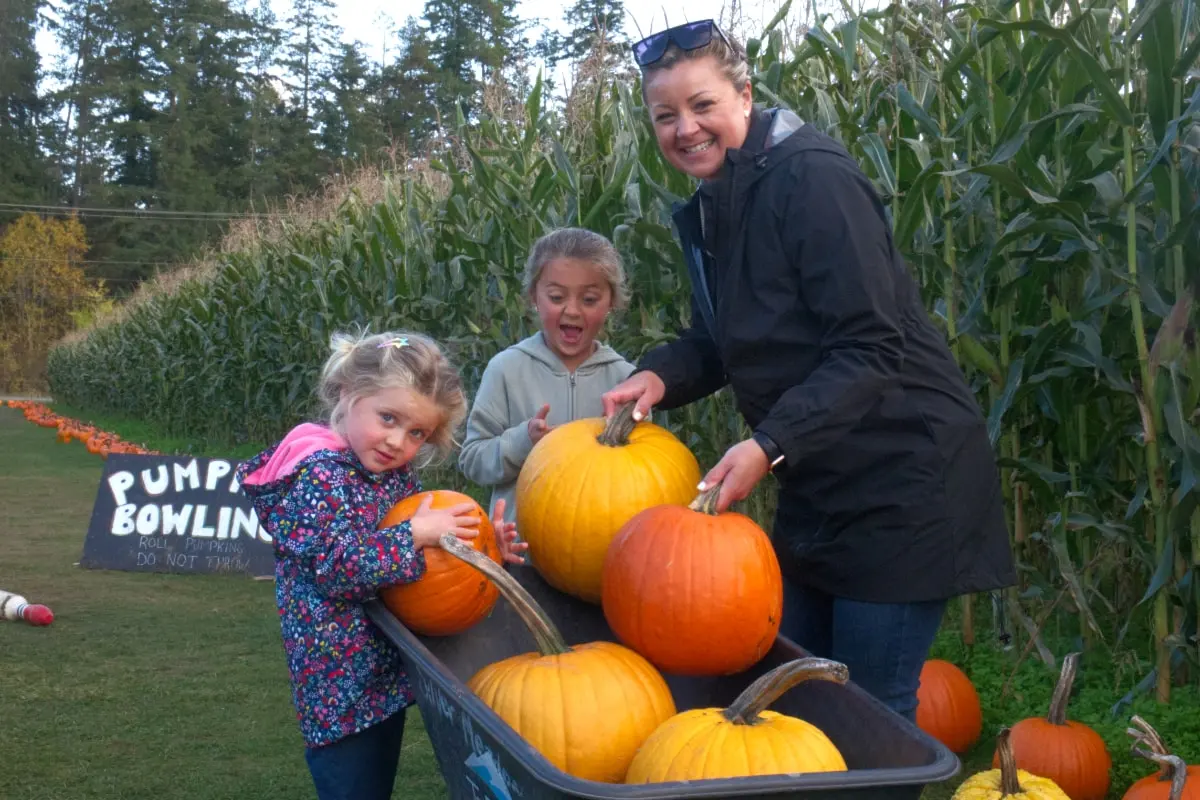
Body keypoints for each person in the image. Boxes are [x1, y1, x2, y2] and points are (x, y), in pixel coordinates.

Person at [601, 20, 1016, 722]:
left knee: (867, 709)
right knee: (792, 691)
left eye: (702, 105)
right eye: (665, 115)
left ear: (745, 95)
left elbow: (871, 345)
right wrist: (660, 377)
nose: (685, 129)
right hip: (819, 484)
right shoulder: (719, 202)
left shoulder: (813, 180)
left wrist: (767, 444)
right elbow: (721, 336)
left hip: (902, 483)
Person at [235, 329, 527, 800]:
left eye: (417, 433)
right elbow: (338, 566)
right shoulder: (320, 477)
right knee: (354, 787)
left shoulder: (387, 473)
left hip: (380, 676)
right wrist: (415, 533)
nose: (397, 441)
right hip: (339, 688)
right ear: (349, 394)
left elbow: (427, 558)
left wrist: (486, 551)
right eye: (388, 418)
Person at [459, 227, 637, 521]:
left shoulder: (626, 381)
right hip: (521, 550)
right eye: (556, 297)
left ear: (612, 303)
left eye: (589, 299)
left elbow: (644, 464)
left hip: (602, 548)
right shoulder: (506, 369)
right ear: (534, 297)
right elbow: (473, 461)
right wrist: (523, 441)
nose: (572, 311)